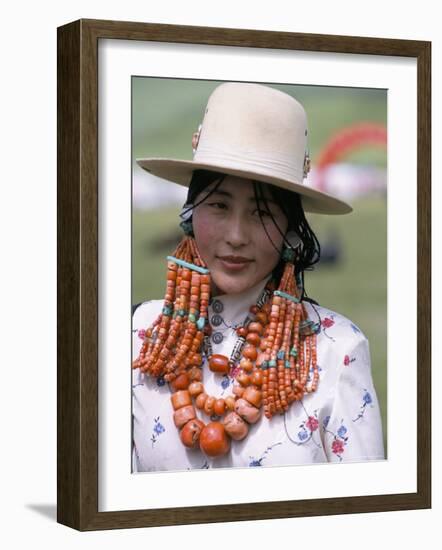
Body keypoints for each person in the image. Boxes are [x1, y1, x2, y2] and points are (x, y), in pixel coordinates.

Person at [132, 82, 384, 472]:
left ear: (290, 228)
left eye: (262, 212)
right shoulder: (136, 338)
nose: (236, 235)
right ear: (190, 213)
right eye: (218, 204)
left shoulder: (338, 349)